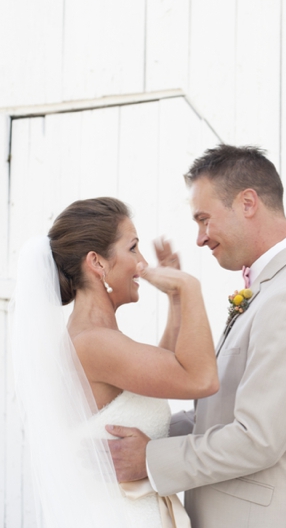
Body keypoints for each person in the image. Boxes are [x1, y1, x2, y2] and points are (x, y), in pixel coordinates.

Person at [106, 145, 286, 528]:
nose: (200, 238)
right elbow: (221, 412)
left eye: (204, 219)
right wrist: (142, 427)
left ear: (248, 202)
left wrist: (150, 458)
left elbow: (257, 438)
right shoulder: (272, 288)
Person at [12, 197, 218, 528]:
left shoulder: (97, 337)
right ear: (97, 262)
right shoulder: (94, 343)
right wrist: (190, 287)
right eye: (133, 248)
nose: (143, 262)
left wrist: (176, 300)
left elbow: (158, 375)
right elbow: (201, 379)